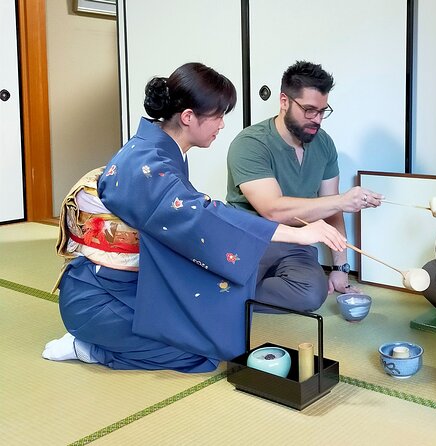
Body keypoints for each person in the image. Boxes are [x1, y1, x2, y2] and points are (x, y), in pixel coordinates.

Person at [41, 62, 346, 373]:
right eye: (218, 116)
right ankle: (88, 347)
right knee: (202, 354)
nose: (223, 125)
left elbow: (194, 217)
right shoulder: (146, 163)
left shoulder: (160, 151)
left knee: (216, 328)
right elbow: (203, 218)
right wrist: (297, 233)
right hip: (102, 297)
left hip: (137, 285)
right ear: (188, 117)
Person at [226, 60, 383, 313]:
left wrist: (341, 269)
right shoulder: (250, 143)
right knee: (221, 286)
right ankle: (229, 291)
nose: (317, 119)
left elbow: (332, 209)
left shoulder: (323, 144)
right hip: (251, 240)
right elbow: (272, 210)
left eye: (322, 111)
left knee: (312, 294)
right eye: (309, 110)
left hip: (297, 243)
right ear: (284, 101)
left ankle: (234, 294)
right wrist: (341, 200)